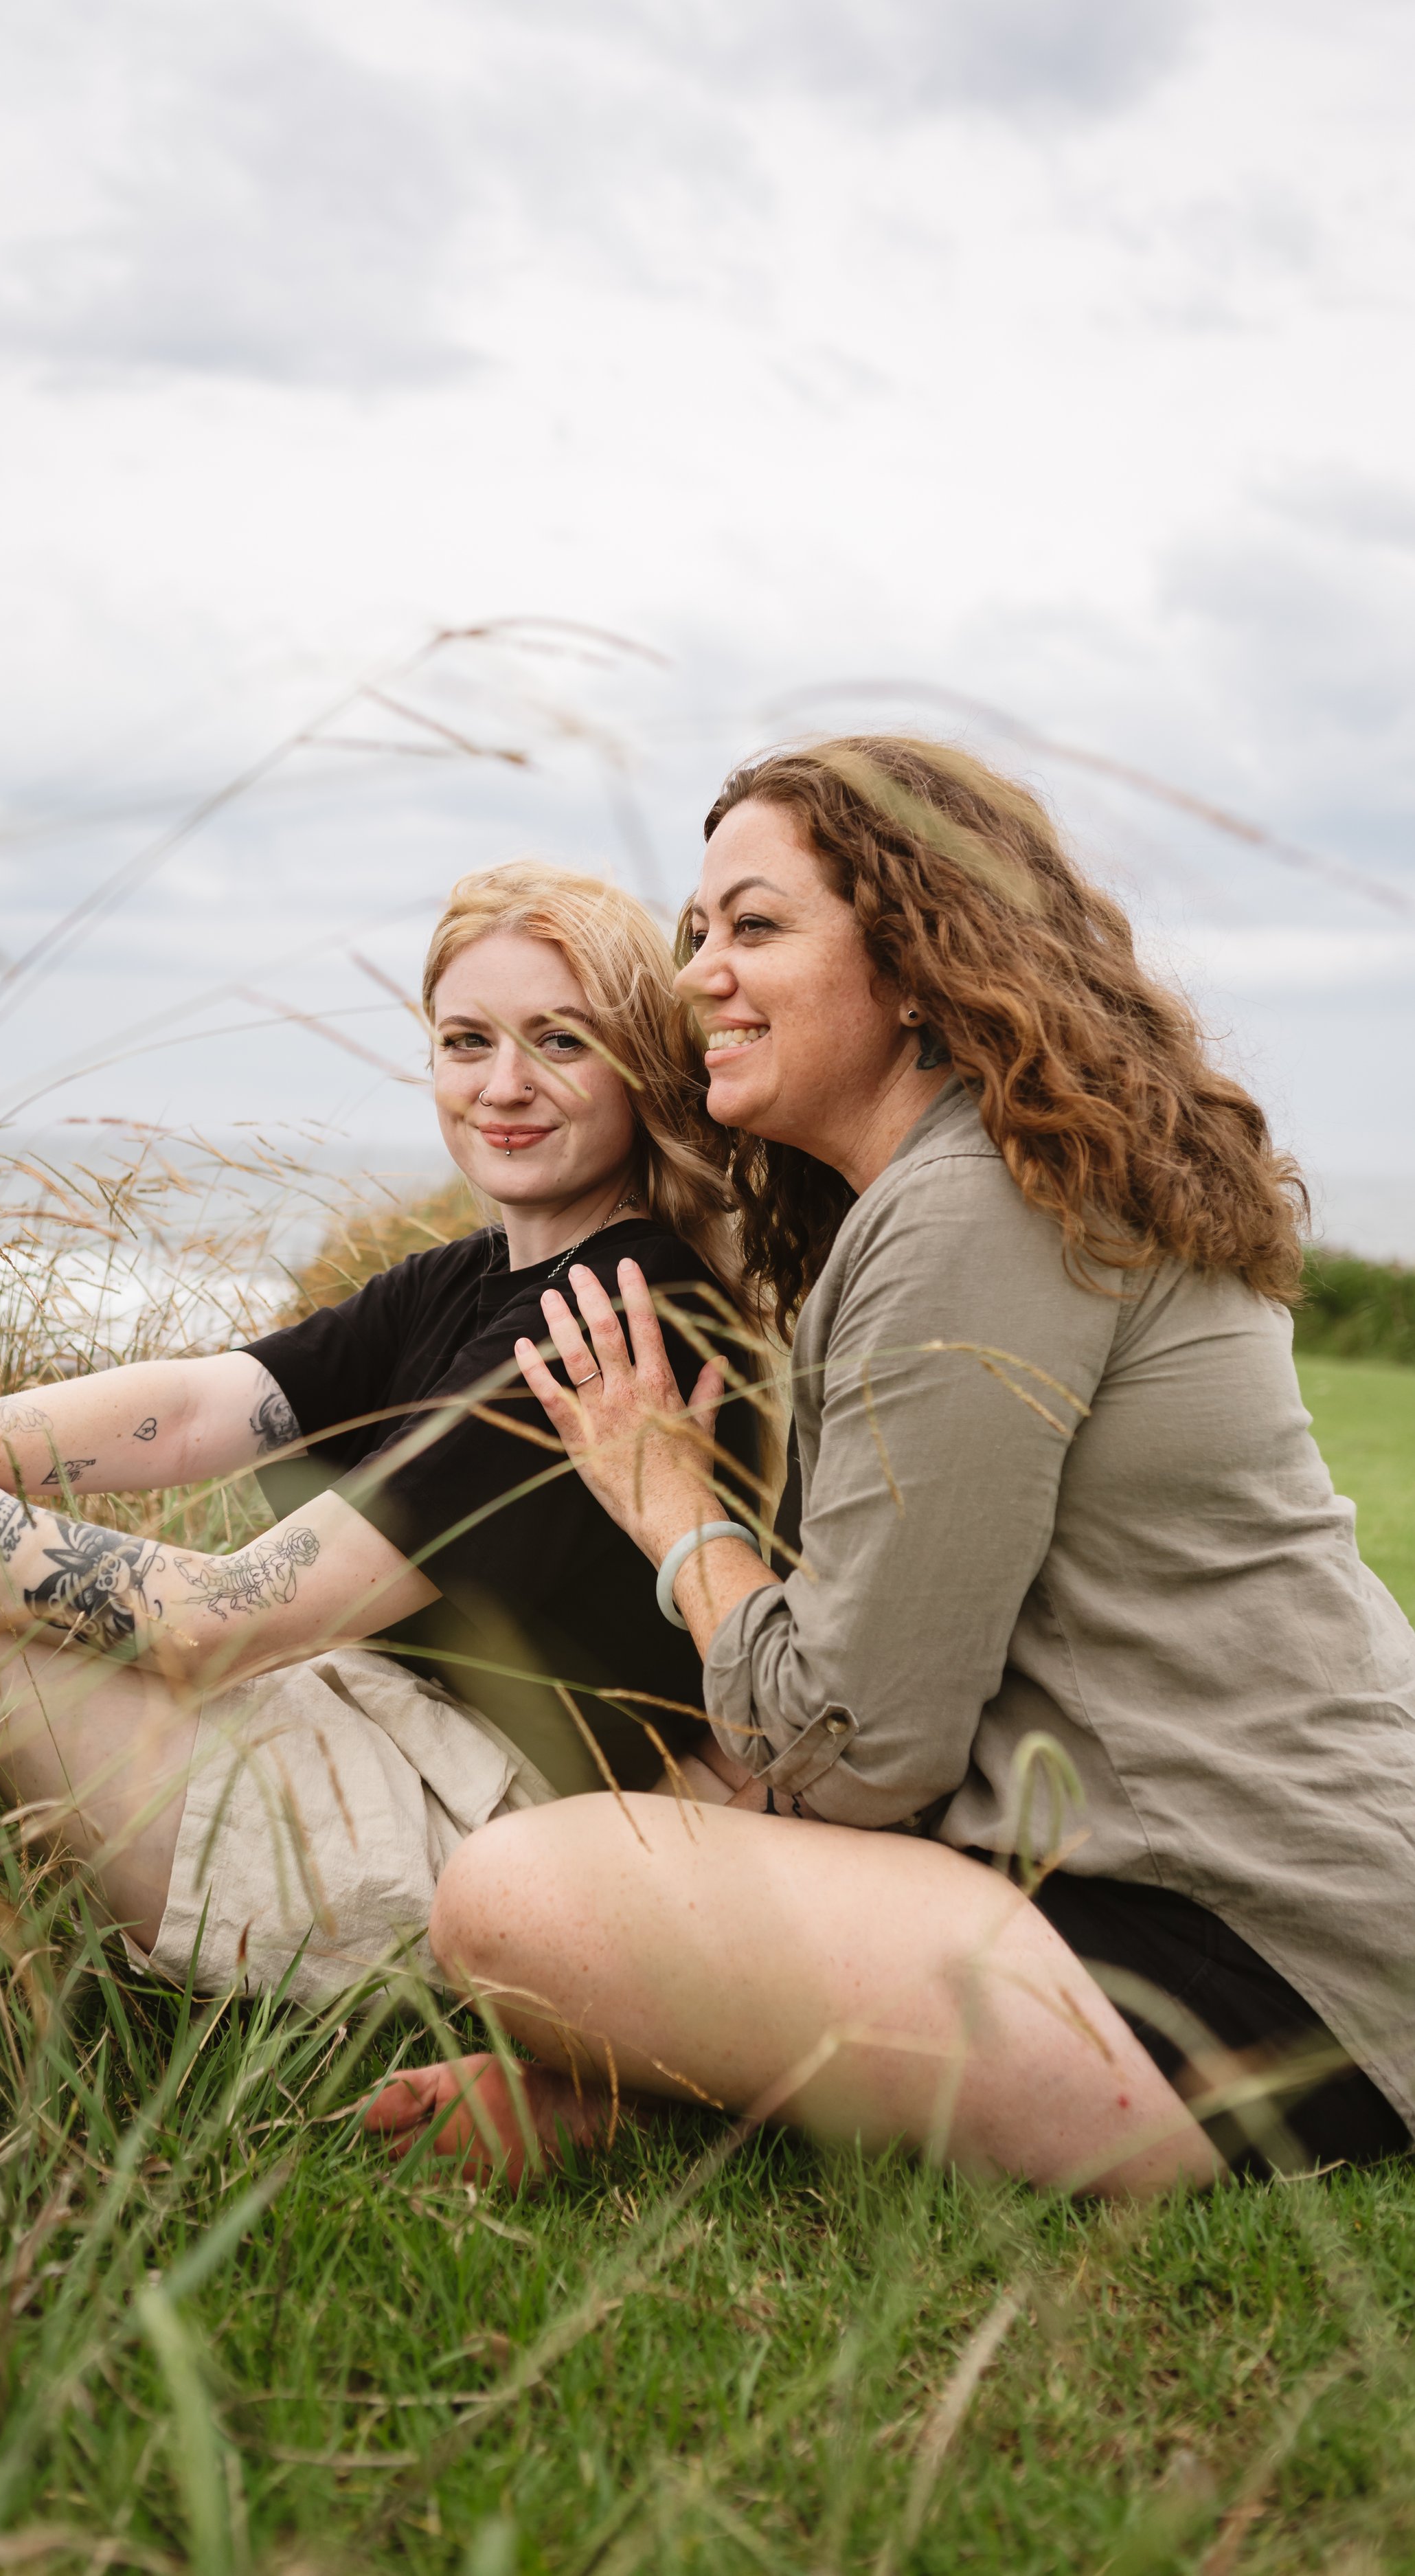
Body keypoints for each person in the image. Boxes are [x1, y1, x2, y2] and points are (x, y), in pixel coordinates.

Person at [368, 738, 1415, 2195]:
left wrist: (670, 1505)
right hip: (1190, 1882)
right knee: (632, 1848)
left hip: (1262, 1956)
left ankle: (667, 2090)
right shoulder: (978, 1185)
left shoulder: (972, 1215)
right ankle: (663, 2090)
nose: (697, 976)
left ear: (919, 962)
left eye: (753, 927)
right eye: (695, 932)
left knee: (514, 1893)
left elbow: (854, 1749)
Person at [0, 863, 762, 2002]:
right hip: (356, 1732)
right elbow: (194, 1411)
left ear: (639, 1064)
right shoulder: (474, 1276)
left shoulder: (604, 1313)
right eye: (467, 1041)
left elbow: (213, 1621)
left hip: (457, 1833)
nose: (503, 1084)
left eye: (560, 1040)